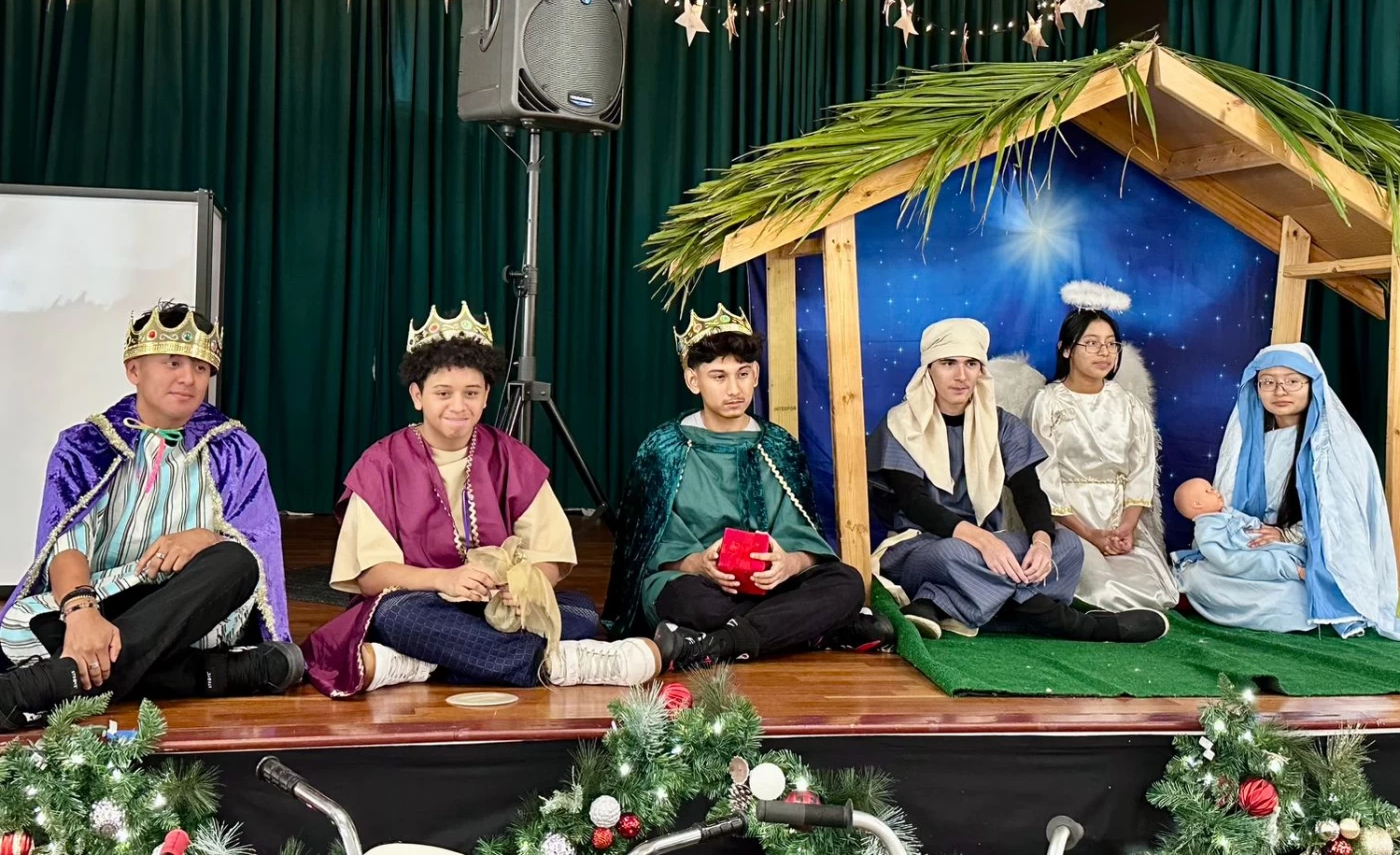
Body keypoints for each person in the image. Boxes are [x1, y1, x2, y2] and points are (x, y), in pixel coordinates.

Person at [303, 303, 660, 696]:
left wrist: (524, 587)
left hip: (496, 611)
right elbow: (371, 577)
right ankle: (551, 664)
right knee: (393, 616)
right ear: (417, 395)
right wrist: (445, 579)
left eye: (471, 393)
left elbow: (551, 557)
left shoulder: (510, 456)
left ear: (487, 395)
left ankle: (425, 663)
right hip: (423, 604)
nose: (459, 406)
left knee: (579, 611)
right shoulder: (380, 463)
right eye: (443, 393)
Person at [0, 302, 299, 732]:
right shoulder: (84, 445)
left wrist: (206, 539)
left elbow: (257, 555)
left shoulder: (236, 450)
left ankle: (51, 682)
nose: (188, 378)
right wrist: (83, 613)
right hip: (103, 600)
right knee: (20, 628)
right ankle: (213, 674)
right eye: (173, 363)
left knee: (235, 562)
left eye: (200, 368)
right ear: (134, 370)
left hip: (192, 609)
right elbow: (66, 545)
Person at [603, 305, 884, 669]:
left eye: (743, 374)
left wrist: (790, 563)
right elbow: (644, 549)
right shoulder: (664, 448)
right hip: (697, 584)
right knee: (689, 603)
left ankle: (716, 643)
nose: (734, 389)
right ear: (693, 380)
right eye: (719, 376)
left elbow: (804, 537)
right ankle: (810, 629)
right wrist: (696, 564)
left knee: (846, 582)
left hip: (773, 586)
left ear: (756, 376)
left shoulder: (778, 446)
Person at [867, 317, 1169, 642]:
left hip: (992, 545)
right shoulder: (901, 424)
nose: (961, 375)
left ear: (981, 370)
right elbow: (915, 503)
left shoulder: (1001, 424)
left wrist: (1041, 542)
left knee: (1067, 545)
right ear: (929, 369)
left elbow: (1029, 492)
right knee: (953, 555)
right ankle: (1075, 624)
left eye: (971, 364)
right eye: (948, 363)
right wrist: (982, 542)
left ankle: (938, 603)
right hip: (922, 546)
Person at [1176, 344, 1399, 638]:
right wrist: (1245, 538)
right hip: (1257, 553)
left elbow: (1341, 522)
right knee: (1198, 576)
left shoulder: (1337, 446)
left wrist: (1286, 535)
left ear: (1311, 385)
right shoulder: (1249, 445)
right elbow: (1224, 510)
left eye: (1292, 381)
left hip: (1309, 555)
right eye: (1268, 382)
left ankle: (1311, 604)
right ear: (1256, 389)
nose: (1280, 391)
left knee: (1296, 595)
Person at [1027, 301, 1177, 612]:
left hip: (1119, 519)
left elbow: (1141, 471)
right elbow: (1043, 477)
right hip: (1068, 522)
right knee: (1101, 591)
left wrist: (1126, 528)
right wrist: (1090, 534)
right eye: (1092, 343)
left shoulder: (1129, 405)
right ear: (1066, 349)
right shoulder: (1047, 403)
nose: (1104, 353)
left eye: (1111, 344)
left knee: (1156, 593)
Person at [1174, 479, 1307, 591]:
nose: (1216, 491)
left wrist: (1257, 529)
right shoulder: (1206, 532)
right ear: (1197, 504)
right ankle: (1291, 569)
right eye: (1208, 491)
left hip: (1263, 544)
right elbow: (1228, 561)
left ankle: (1294, 565)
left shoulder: (1227, 512)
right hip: (1245, 558)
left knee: (1279, 552)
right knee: (1266, 564)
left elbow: (1253, 523)